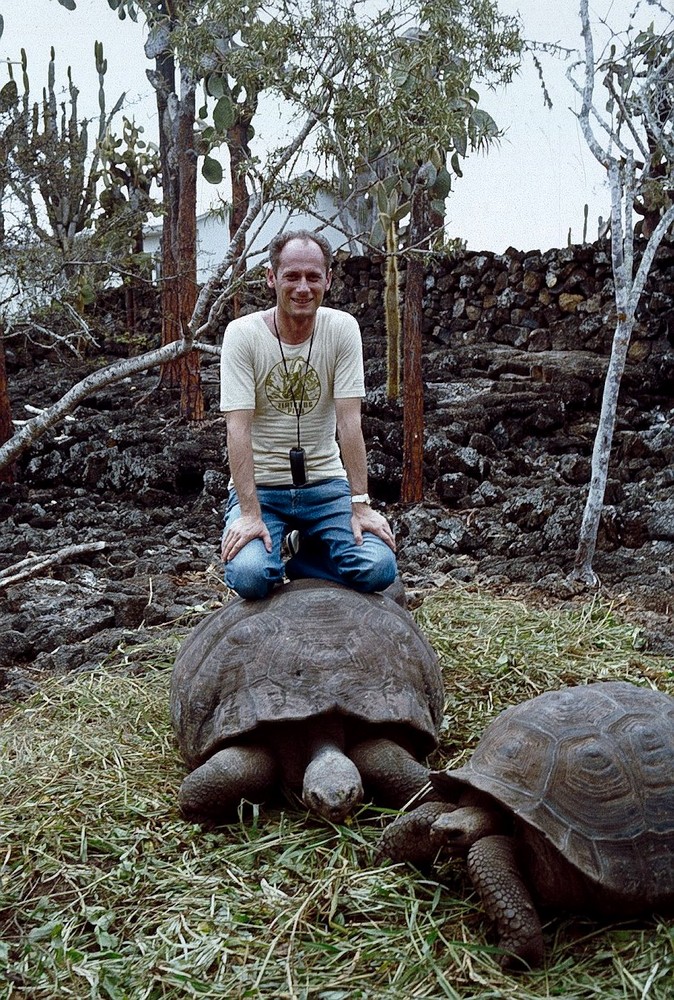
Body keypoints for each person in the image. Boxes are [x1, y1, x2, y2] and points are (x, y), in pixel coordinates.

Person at [220, 228, 397, 600]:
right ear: (272, 278)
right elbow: (237, 428)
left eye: (313, 277)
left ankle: (308, 553)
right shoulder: (243, 335)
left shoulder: (342, 329)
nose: (303, 287)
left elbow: (350, 423)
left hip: (325, 484)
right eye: (292, 276)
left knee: (379, 568)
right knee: (252, 576)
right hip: (263, 488)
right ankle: (295, 546)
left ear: (328, 281)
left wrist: (360, 504)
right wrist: (249, 513)